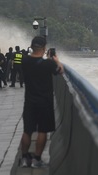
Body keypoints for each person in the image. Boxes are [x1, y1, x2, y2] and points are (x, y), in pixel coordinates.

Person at [20, 36, 64, 168]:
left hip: (29, 101)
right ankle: (36, 160)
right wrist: (56, 60)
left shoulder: (25, 61)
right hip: (44, 102)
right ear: (44, 48)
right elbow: (60, 71)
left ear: (32, 47)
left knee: (27, 130)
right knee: (42, 131)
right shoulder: (48, 64)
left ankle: (24, 158)